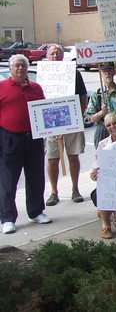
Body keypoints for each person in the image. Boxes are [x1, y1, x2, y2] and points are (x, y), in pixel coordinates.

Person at [0, 55, 52, 234]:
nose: (20, 69)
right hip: (9, 138)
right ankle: (7, 218)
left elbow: (45, 113)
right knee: (8, 180)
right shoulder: (2, 87)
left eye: (23, 65)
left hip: (33, 138)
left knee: (36, 177)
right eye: (16, 66)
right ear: (10, 68)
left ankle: (36, 211)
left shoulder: (36, 88)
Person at [43, 44, 87, 206]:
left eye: (58, 53)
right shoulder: (44, 74)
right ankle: (54, 192)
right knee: (52, 158)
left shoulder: (73, 72)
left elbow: (83, 96)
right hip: (50, 121)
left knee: (73, 156)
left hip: (72, 121)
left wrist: (79, 116)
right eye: (52, 54)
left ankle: (75, 189)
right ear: (47, 56)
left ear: (63, 56)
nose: (55, 56)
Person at [87, 62, 116, 148]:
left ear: (114, 72)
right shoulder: (96, 95)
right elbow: (92, 119)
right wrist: (101, 113)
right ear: (101, 73)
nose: (107, 73)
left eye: (109, 70)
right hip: (103, 130)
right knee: (101, 157)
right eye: (104, 70)